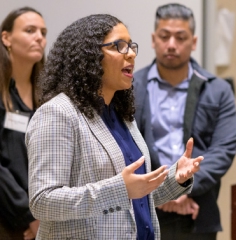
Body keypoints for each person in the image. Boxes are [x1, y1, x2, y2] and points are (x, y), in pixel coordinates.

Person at [25, 14, 203, 240]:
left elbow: (136, 197)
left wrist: (175, 178)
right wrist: (119, 189)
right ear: (89, 56)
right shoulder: (58, 113)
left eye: (131, 46)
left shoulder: (121, 115)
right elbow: (43, 201)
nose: (131, 53)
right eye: (118, 46)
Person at [133, 3, 236, 240]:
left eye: (180, 37)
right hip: (142, 210)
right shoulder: (131, 87)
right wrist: (161, 191)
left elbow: (224, 148)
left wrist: (183, 186)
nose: (171, 44)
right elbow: (121, 145)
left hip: (198, 211)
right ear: (153, 39)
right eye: (164, 36)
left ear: (194, 42)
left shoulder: (218, 89)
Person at [0, 6, 47, 240]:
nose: (39, 37)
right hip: (9, 219)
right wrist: (27, 215)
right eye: (30, 30)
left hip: (46, 215)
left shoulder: (49, 96)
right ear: (6, 37)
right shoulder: (2, 92)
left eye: (43, 32)